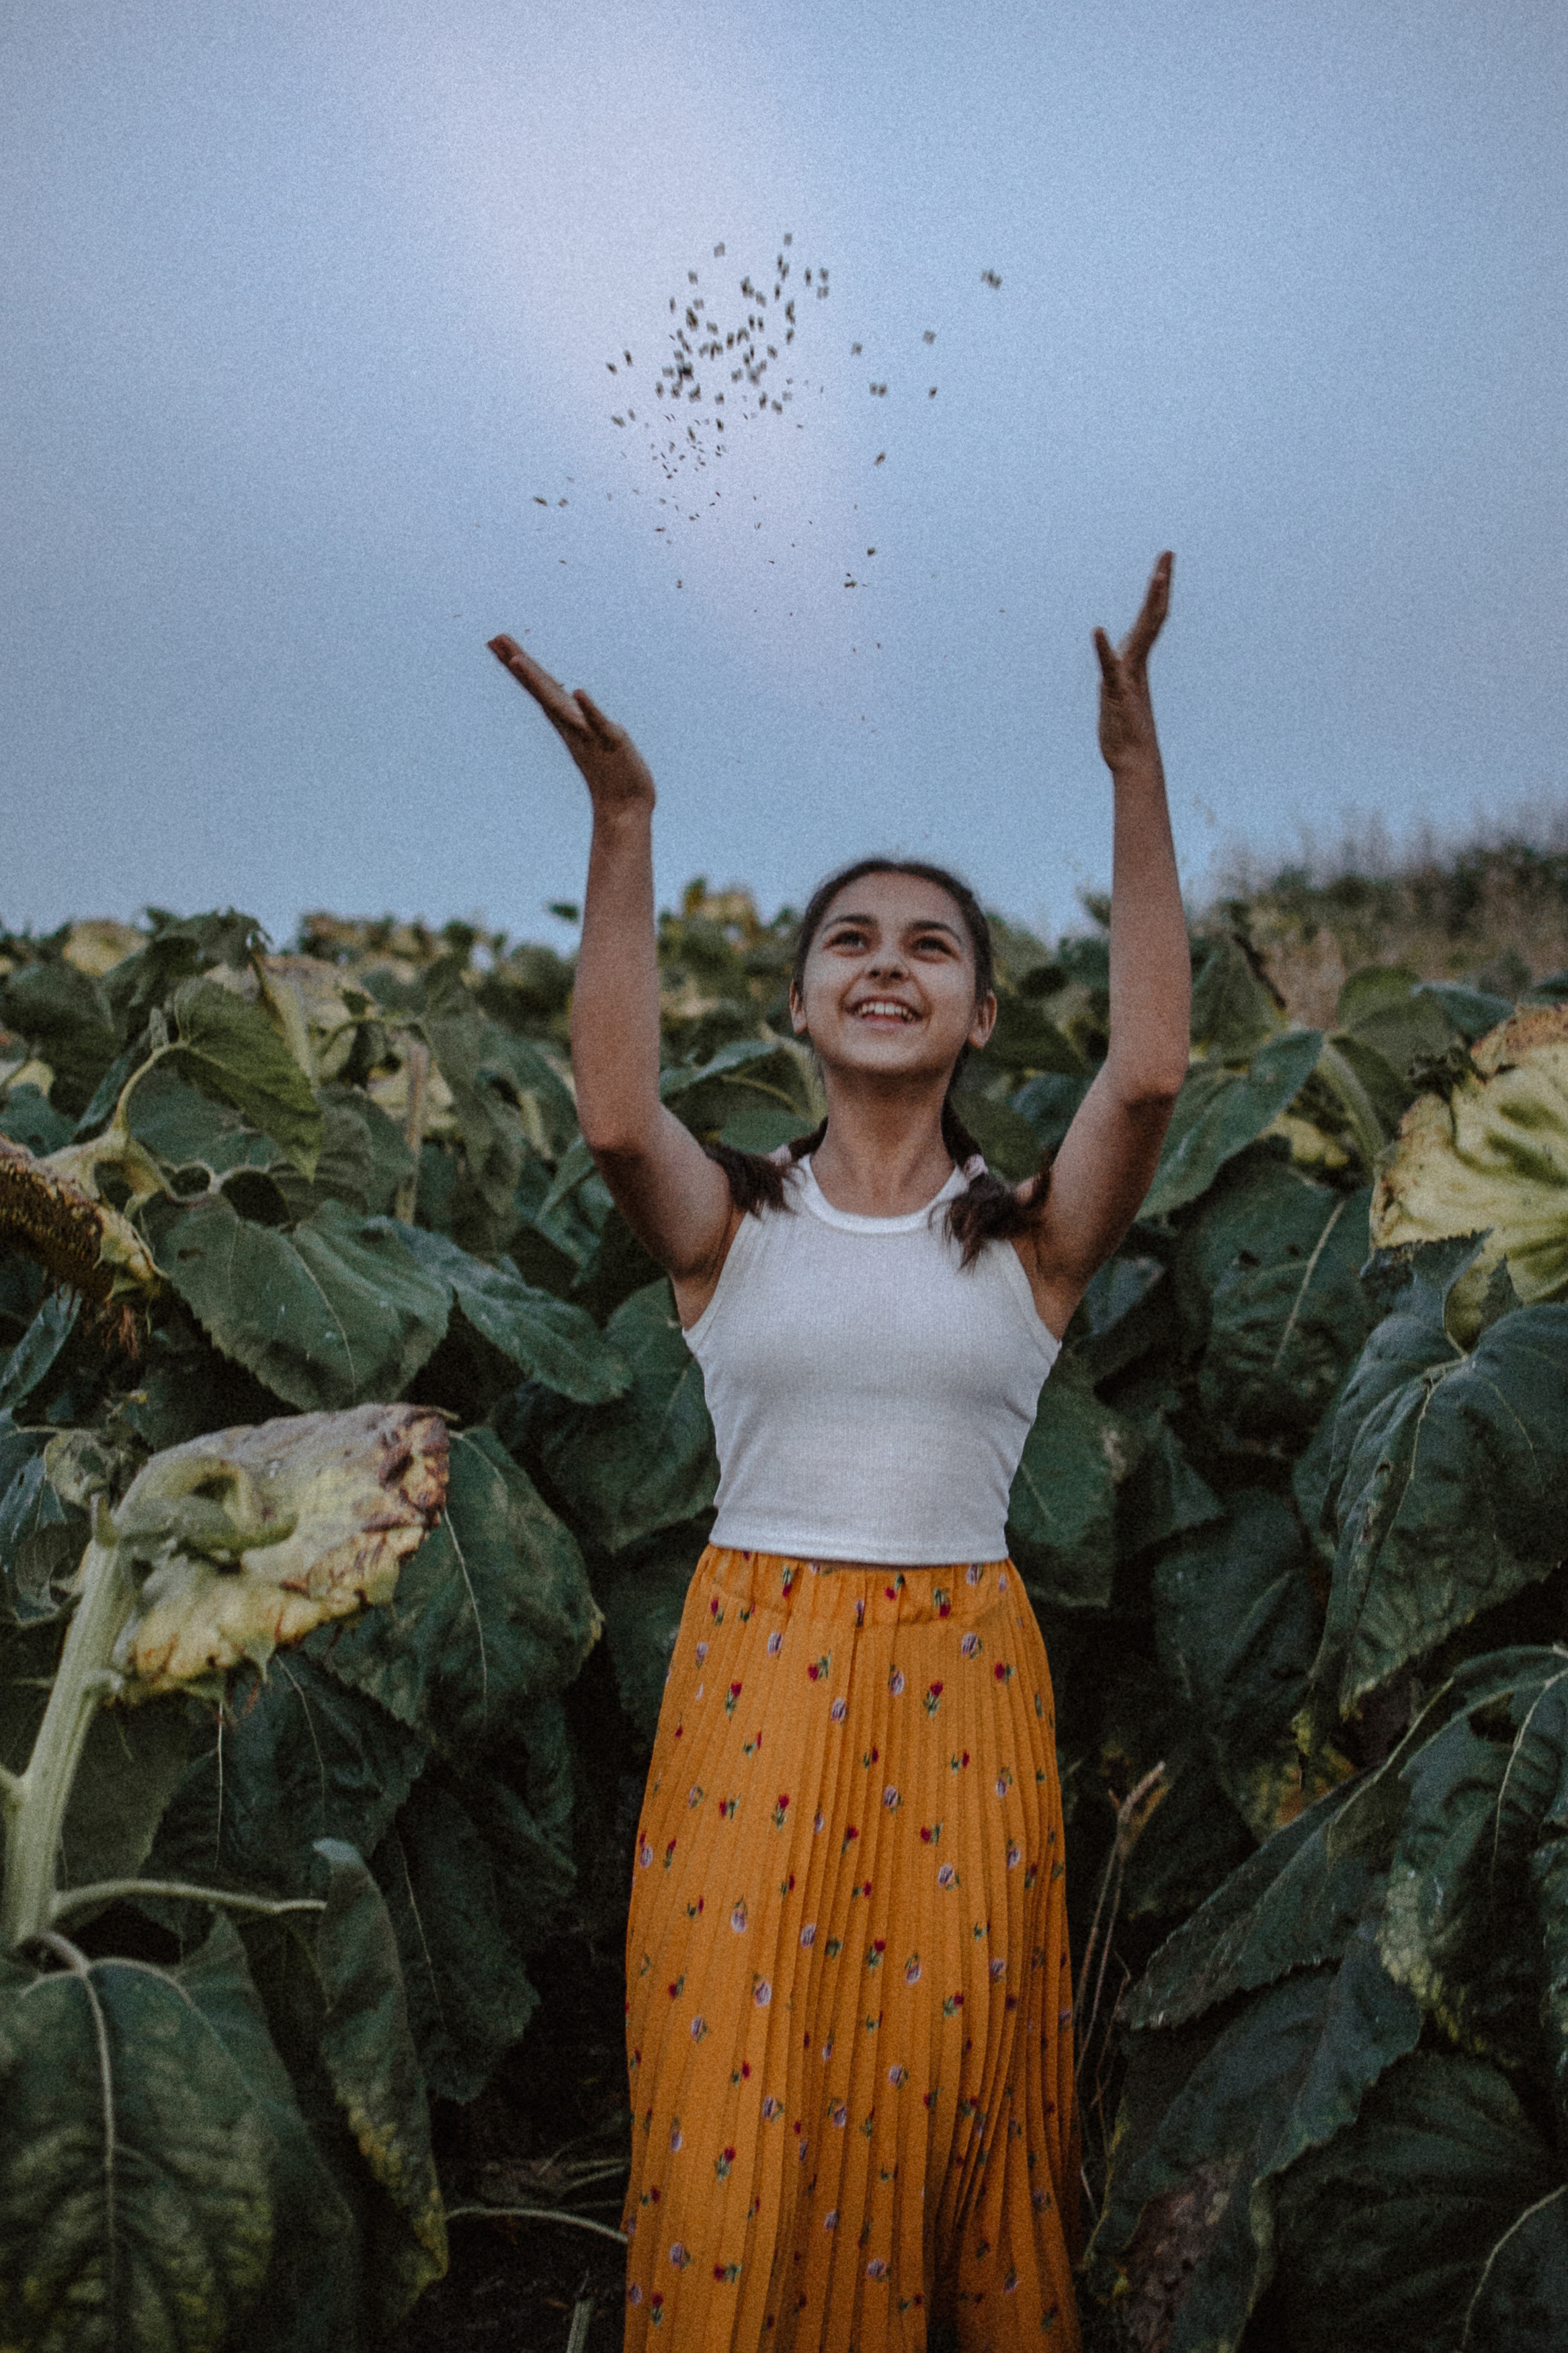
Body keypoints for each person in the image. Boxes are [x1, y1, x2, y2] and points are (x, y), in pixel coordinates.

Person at [488, 552, 1189, 2353]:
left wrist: (1133, 771)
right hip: (756, 1682)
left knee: (944, 2097)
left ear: (978, 1017)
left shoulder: (1033, 1243)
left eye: (931, 944)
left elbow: (1149, 1075)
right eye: (851, 942)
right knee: (736, 2104)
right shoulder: (731, 1226)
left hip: (965, 1679)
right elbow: (615, 1110)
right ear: (800, 1007)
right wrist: (626, 825)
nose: (889, 963)